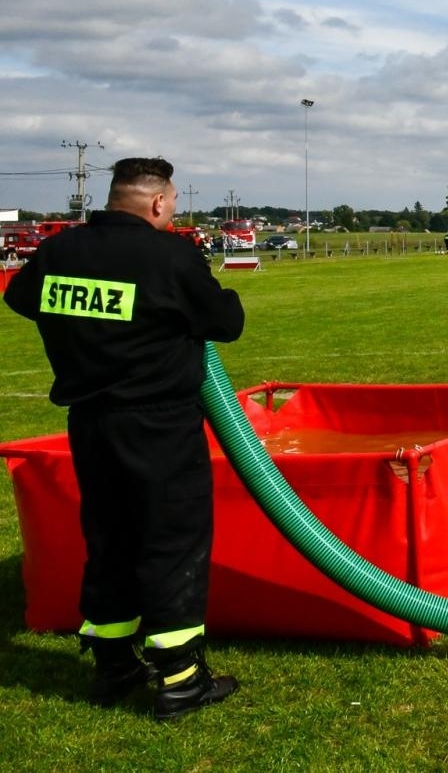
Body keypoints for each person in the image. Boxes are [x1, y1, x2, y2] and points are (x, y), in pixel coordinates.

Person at [3, 158, 246, 719]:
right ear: (158, 202)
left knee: (109, 537)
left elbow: (20, 299)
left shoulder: (62, 250)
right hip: (158, 422)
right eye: (175, 202)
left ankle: (114, 665)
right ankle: (181, 678)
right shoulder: (170, 254)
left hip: (89, 421)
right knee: (171, 541)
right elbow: (224, 322)